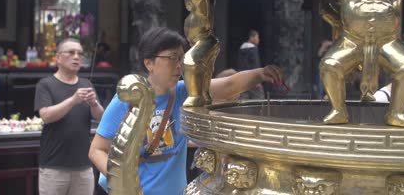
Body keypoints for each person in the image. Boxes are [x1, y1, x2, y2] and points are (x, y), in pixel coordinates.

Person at [88, 27, 283, 195]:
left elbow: (229, 84)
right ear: (149, 63)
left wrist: (260, 74)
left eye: (181, 58)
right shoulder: (127, 99)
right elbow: (97, 150)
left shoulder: (183, 92)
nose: (178, 65)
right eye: (172, 58)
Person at [34, 38, 105, 195]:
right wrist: (72, 101)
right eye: (71, 53)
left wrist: (94, 103)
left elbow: (101, 118)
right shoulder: (45, 84)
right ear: (58, 58)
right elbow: (46, 116)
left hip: (84, 166)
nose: (76, 57)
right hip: (54, 167)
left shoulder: (86, 84)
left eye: (80, 53)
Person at [237, 29, 264, 99]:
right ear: (251, 38)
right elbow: (255, 65)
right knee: (259, 99)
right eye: (257, 37)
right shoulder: (253, 49)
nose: (258, 39)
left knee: (243, 99)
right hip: (252, 79)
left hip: (242, 78)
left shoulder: (241, 49)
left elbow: (240, 64)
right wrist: (258, 80)